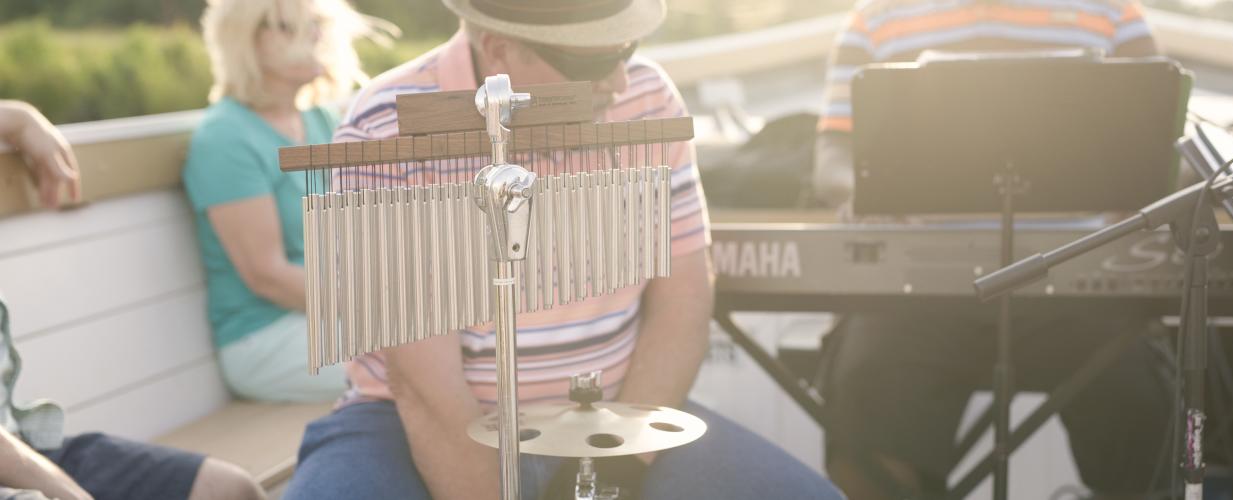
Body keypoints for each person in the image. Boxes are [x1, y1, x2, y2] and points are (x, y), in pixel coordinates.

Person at [283, 1, 846, 499]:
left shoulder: (649, 100)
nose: (621, 81)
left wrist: (621, 477)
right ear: (500, 48)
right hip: (403, 425)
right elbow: (423, 389)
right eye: (595, 62)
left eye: (628, 49)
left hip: (616, 412)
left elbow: (684, 306)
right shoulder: (387, 123)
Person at [812, 1, 1170, 498]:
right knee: (864, 391)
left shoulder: (1113, 12)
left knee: (1140, 401)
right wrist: (860, 191)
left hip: (1079, 283)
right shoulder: (876, 17)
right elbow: (831, 157)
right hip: (919, 289)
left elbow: (1165, 147)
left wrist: (1141, 194)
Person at [0, 101, 262, 500]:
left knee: (229, 491)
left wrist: (20, 118)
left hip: (22, 444)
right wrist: (63, 490)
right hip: (14, 467)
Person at [183, 0, 394, 402]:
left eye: (315, 23)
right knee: (419, 359)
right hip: (266, 338)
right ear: (248, 40)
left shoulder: (321, 121)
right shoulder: (225, 138)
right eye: (291, 26)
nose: (314, 34)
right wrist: (381, 302)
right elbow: (268, 276)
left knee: (454, 341)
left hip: (330, 320)